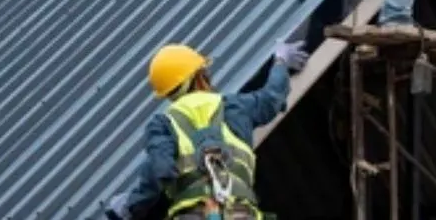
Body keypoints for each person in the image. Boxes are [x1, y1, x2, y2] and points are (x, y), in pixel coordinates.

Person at [102, 39, 309, 220]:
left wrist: (127, 207)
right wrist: (281, 61)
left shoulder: (163, 125)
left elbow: (157, 172)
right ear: (199, 77)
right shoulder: (233, 107)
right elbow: (272, 97)